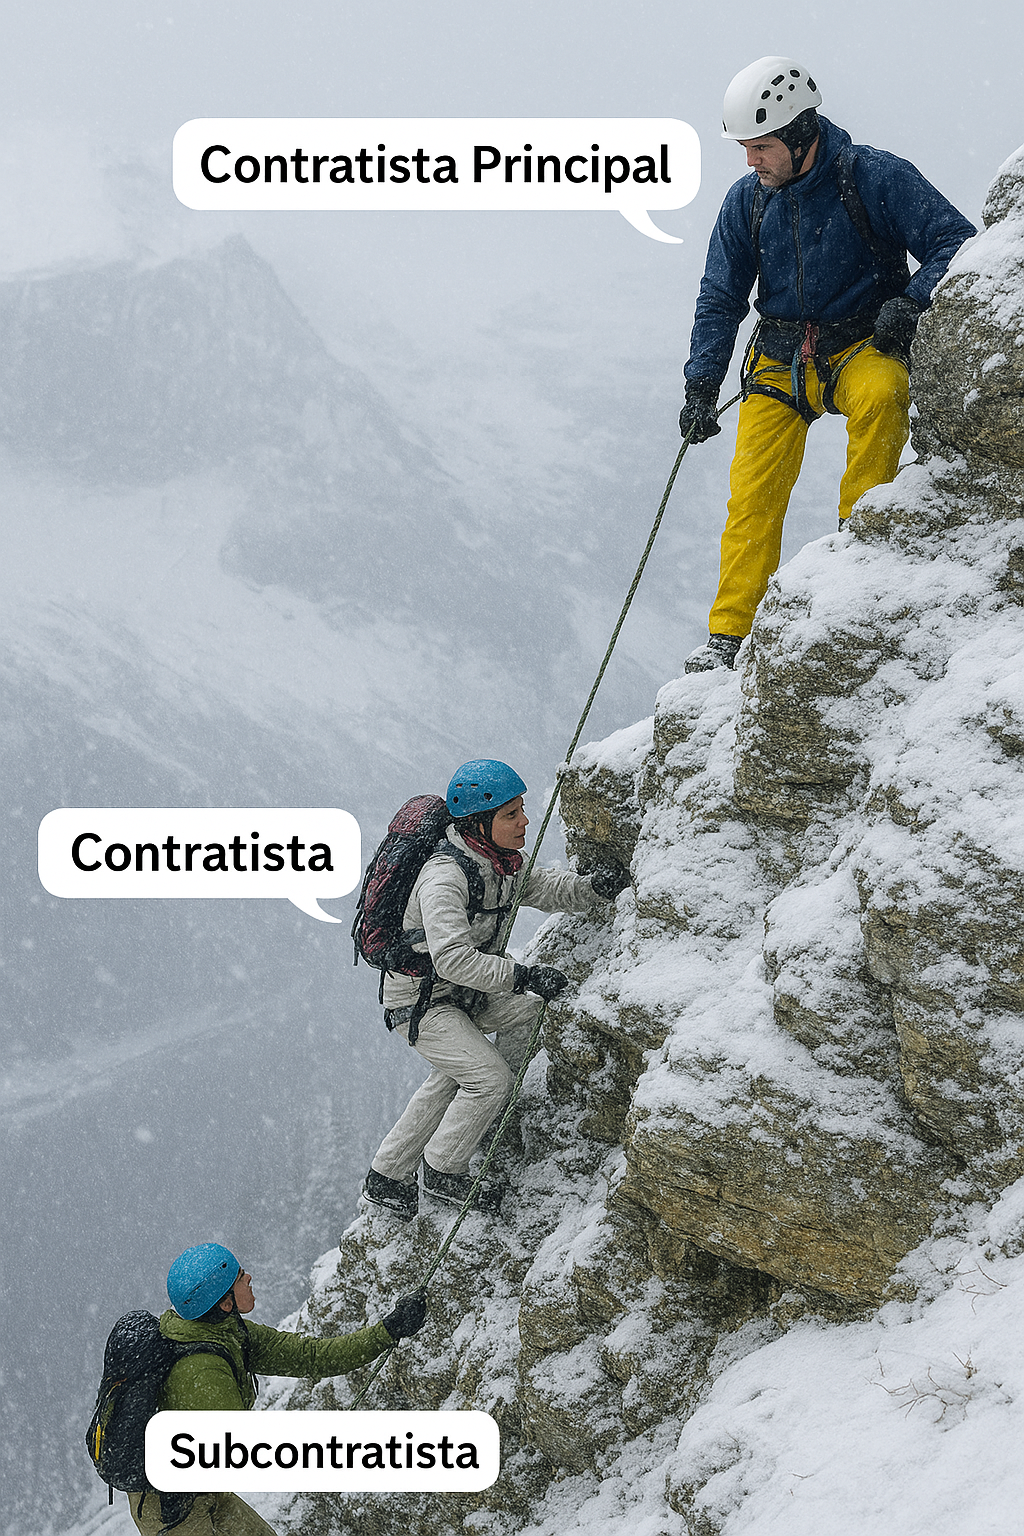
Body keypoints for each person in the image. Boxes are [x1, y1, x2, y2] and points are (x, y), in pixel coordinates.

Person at [679, 56, 976, 673]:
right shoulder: (748, 202)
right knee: (753, 494)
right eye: (746, 149)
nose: (751, 162)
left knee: (885, 394)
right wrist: (702, 381)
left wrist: (912, 302)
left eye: (760, 147)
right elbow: (721, 296)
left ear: (798, 132)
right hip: (780, 360)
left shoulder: (872, 176)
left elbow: (957, 242)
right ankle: (730, 634)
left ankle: (856, 559)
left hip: (862, 346)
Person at [363, 759, 628, 1221]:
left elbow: (541, 886)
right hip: (422, 1002)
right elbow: (452, 959)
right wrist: (521, 977)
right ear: (480, 823)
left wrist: (592, 889)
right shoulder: (445, 877)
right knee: (487, 1078)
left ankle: (386, 1175)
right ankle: (443, 1170)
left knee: (482, 1055)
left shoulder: (496, 862)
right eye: (511, 814)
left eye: (522, 809)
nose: (524, 821)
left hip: (462, 994)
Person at [126, 1242, 426, 1536]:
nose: (248, 1277)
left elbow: (312, 1357)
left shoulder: (226, 1332)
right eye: (239, 1276)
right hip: (170, 1510)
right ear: (225, 1302)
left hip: (201, 1487)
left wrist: (390, 1329)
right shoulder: (203, 1373)